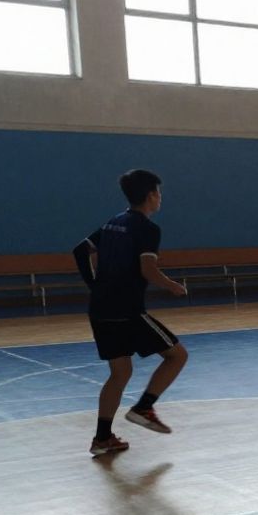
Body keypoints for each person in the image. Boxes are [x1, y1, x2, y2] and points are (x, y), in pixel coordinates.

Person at [71, 169, 189, 456]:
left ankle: (102, 439)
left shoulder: (113, 223)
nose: (161, 198)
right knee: (177, 356)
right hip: (126, 310)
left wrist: (94, 285)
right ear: (151, 195)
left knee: (120, 372)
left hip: (100, 308)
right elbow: (147, 269)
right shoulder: (147, 228)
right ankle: (144, 407)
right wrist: (172, 286)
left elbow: (79, 251)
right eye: (159, 193)